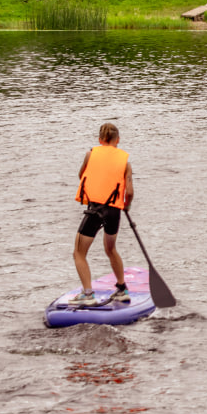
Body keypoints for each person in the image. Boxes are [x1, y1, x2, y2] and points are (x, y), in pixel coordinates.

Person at [71, 123, 135, 306]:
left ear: (100, 140)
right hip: (114, 212)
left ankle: (88, 294)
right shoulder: (126, 162)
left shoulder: (91, 154)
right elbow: (129, 192)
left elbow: (82, 175)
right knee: (110, 249)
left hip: (95, 210)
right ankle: (122, 289)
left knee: (79, 253)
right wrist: (127, 207)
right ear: (118, 140)